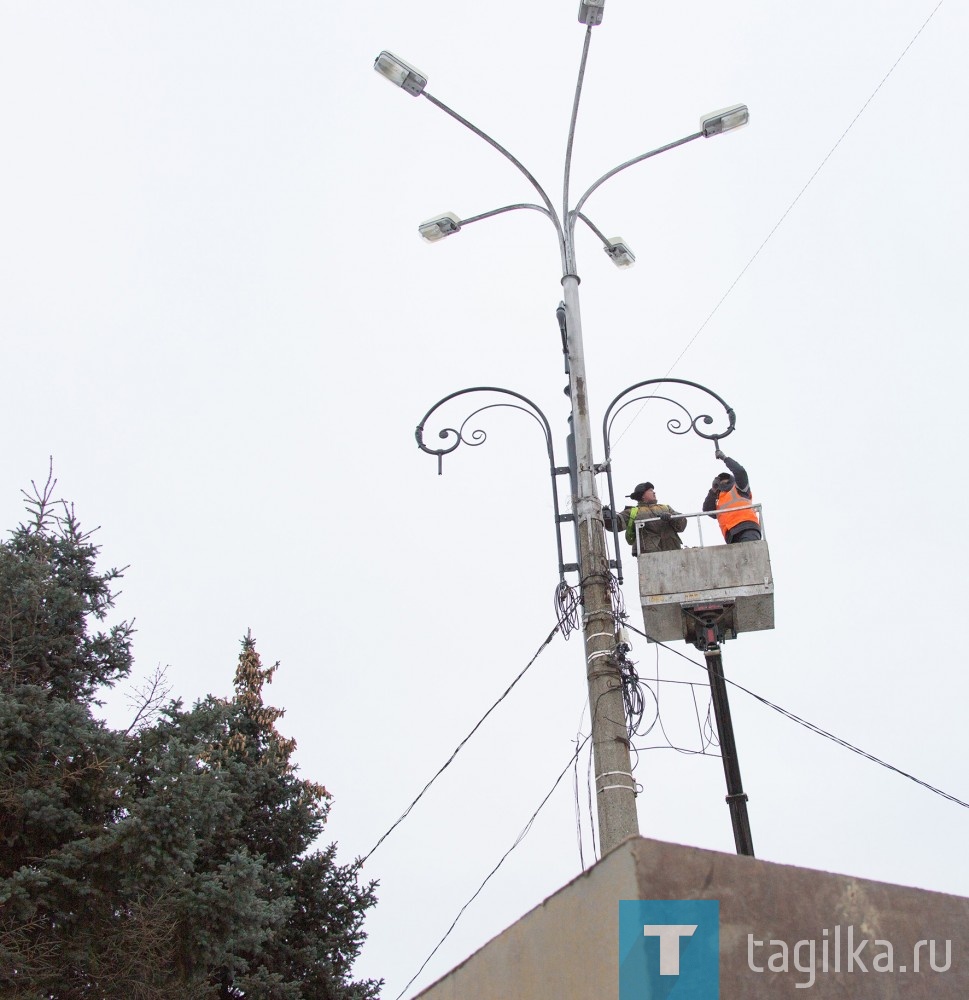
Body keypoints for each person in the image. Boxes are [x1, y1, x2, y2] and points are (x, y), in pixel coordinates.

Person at [703, 451, 762, 543]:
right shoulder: (718, 501)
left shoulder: (739, 488)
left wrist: (725, 458)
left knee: (748, 554)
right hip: (731, 535)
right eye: (720, 483)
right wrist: (713, 490)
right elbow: (707, 510)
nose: (723, 484)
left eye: (725, 481)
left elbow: (740, 472)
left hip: (747, 528)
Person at [622, 482, 688, 554]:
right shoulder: (633, 512)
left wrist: (671, 517)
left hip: (674, 552)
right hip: (650, 556)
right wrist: (608, 515)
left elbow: (681, 525)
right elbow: (616, 522)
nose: (654, 492)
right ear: (642, 495)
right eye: (650, 490)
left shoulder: (666, 508)